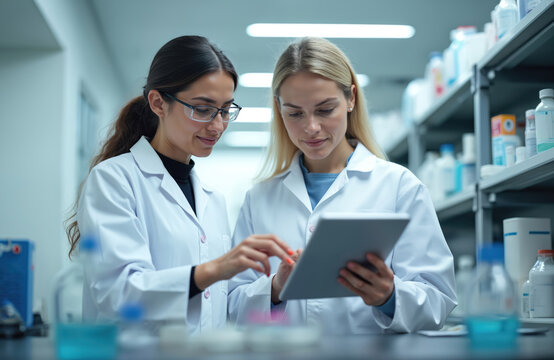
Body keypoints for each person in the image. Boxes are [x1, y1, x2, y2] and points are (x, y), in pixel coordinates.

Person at [65, 35, 294, 334]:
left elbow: (216, 306)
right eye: (202, 109)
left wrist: (277, 287)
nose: (217, 125)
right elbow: (118, 295)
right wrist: (215, 269)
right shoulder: (114, 180)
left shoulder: (213, 199)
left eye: (225, 110)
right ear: (158, 103)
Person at [228, 37, 457, 334]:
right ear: (278, 108)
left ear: (350, 98)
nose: (311, 127)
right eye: (295, 113)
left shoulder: (400, 187)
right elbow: (230, 303)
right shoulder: (259, 199)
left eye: (324, 109)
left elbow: (439, 300)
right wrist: (275, 288)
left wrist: (389, 297)